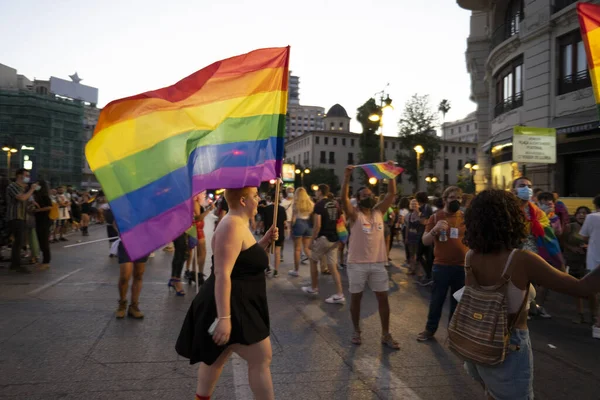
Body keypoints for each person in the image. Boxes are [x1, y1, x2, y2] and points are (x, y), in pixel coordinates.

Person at [461, 190, 600, 400]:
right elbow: (582, 288)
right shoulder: (522, 260)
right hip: (509, 345)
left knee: (492, 393)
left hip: (477, 342)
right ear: (511, 220)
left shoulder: (471, 256)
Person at [175, 187, 278, 400]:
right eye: (255, 196)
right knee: (261, 358)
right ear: (243, 200)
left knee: (215, 359)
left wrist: (264, 242)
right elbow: (223, 273)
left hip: (236, 302)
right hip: (231, 304)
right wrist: (224, 318)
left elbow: (242, 259)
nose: (258, 200)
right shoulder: (231, 225)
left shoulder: (239, 223)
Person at [341, 164, 400, 349]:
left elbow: (391, 194)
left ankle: (386, 334)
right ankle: (356, 330)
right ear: (358, 200)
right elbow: (343, 198)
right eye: (364, 195)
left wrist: (390, 174)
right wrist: (347, 177)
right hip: (356, 264)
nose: (369, 197)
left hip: (377, 264)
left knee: (383, 298)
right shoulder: (354, 215)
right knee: (356, 298)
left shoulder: (379, 212)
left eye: (370, 194)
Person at [417, 186, 467, 342]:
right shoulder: (436, 217)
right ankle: (430, 330)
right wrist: (435, 230)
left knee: (457, 302)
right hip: (441, 266)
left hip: (461, 266)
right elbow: (425, 241)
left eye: (458, 198)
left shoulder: (466, 218)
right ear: (445, 199)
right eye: (452, 197)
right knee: (437, 300)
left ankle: (454, 333)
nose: (456, 201)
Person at [512, 177, 564, 319]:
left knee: (541, 280)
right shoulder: (509, 209)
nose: (526, 188)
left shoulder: (536, 210)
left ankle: (536, 306)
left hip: (537, 250)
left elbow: (547, 228)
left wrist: (548, 222)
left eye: (529, 186)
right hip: (515, 252)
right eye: (522, 185)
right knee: (520, 282)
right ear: (513, 190)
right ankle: (522, 309)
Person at [302, 184, 345, 304]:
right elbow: (343, 221)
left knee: (313, 260)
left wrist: (311, 241)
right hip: (335, 239)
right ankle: (340, 293)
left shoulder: (319, 205)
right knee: (332, 266)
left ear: (320, 192)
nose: (316, 193)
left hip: (324, 237)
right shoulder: (335, 204)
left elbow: (318, 225)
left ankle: (314, 288)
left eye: (317, 191)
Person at [104, 207, 149, 319]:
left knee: (138, 275)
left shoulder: (147, 203)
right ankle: (122, 304)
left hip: (143, 243)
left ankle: (134, 306)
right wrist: (121, 231)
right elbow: (115, 222)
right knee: (125, 276)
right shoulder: (124, 203)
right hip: (126, 242)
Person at [564, 206, 597, 324]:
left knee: (592, 291)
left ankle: (594, 315)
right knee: (577, 289)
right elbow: (563, 241)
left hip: (589, 261)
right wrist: (572, 248)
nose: (581, 215)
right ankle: (580, 314)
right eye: (579, 213)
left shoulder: (592, 226)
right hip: (573, 262)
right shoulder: (570, 227)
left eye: (584, 213)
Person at [6, 169, 38, 274]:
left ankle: (16, 263)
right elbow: (22, 198)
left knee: (20, 241)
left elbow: (26, 202)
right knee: (18, 242)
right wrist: (32, 190)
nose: (27, 177)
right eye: (26, 175)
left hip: (23, 217)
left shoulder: (23, 188)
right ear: (19, 176)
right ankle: (15, 265)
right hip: (15, 217)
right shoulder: (13, 186)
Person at [579, 194, 600, 328]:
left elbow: (584, 237)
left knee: (596, 292)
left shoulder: (591, 217)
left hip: (594, 259)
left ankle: (597, 320)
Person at [289, 187, 314, 277]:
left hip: (299, 223)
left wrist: (291, 229)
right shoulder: (310, 203)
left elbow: (293, 218)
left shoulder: (296, 203)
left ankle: (296, 270)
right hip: (308, 224)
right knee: (307, 248)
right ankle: (313, 267)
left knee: (297, 249)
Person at [262, 191, 286, 278]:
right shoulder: (282, 209)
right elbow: (284, 222)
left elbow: (262, 222)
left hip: (268, 232)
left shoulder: (267, 209)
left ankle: (268, 267)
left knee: (267, 251)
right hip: (279, 233)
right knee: (277, 252)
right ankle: (276, 270)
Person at [32, 180, 52, 270]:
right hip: (39, 220)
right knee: (41, 241)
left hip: (44, 221)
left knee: (44, 241)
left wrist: (38, 210)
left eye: (37, 184)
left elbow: (50, 206)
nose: (36, 185)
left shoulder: (45, 196)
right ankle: (44, 261)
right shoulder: (37, 195)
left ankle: (46, 262)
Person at [414, 192, 434, 286]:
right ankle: (428, 275)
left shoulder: (426, 207)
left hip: (424, 235)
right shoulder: (425, 207)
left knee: (420, 255)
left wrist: (417, 212)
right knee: (424, 255)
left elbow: (423, 221)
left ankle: (429, 275)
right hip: (422, 234)